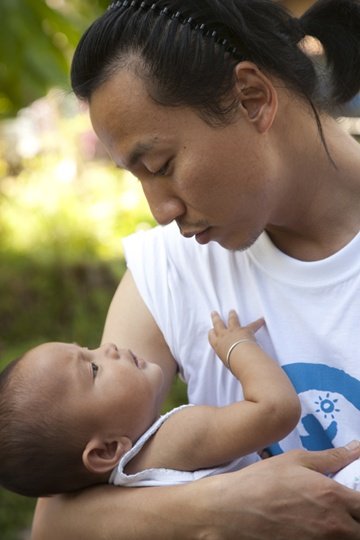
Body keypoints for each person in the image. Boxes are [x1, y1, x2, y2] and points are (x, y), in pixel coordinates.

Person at [31, 0, 360, 538]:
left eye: (161, 166)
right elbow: (59, 522)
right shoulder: (170, 270)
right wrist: (225, 504)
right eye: (138, 177)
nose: (160, 210)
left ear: (251, 98)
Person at [0, 311, 303, 497]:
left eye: (88, 349)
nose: (108, 347)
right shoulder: (179, 436)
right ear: (107, 450)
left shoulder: (123, 488)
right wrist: (238, 346)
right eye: (93, 368)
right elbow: (276, 410)